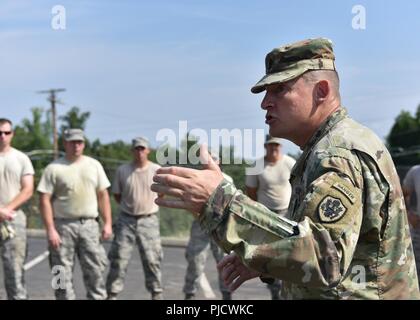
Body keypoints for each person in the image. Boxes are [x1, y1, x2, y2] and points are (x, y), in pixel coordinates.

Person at [151, 38, 420, 299]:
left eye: (279, 89)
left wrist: (221, 203)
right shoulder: (325, 147)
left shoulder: (338, 153)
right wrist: (264, 258)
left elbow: (323, 257)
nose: (265, 102)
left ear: (322, 91)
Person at [37, 128, 112, 300]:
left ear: (84, 144)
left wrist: (107, 223)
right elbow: (44, 200)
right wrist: (50, 229)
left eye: (79, 142)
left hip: (89, 225)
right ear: (65, 144)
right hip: (62, 227)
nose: (76, 146)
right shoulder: (53, 168)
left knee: (95, 270)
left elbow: (103, 196)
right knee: (60, 273)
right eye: (72, 142)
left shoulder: (94, 166)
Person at [106, 137, 163, 300]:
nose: (139, 152)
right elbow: (117, 195)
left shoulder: (156, 170)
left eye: (142, 149)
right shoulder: (123, 170)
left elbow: (162, 193)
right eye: (136, 149)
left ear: (148, 150)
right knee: (119, 258)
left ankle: (156, 293)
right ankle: (112, 294)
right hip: (126, 220)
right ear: (132, 151)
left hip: (149, 220)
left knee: (153, 259)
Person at [245, 135, 295, 299]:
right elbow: (251, 193)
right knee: (268, 255)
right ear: (266, 147)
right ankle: (274, 290)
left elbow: (299, 186)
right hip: (266, 215)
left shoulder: (289, 163)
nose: (274, 149)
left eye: (277, 146)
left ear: (281, 147)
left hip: (287, 214)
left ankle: (285, 289)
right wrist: (257, 215)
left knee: (288, 253)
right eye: (271, 146)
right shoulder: (257, 166)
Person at [183, 153, 233, 300]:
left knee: (224, 261)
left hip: (220, 226)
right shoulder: (195, 178)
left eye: (214, 159)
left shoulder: (227, 180)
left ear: (219, 162)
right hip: (200, 225)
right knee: (195, 260)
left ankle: (227, 295)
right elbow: (187, 201)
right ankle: (190, 293)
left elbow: (232, 205)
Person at [0, 118, 34, 300]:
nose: (2, 136)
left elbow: (28, 189)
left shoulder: (21, 159)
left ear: (12, 134)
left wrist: (7, 209)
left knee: (14, 271)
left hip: (14, 219)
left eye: (6, 132)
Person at [403, 164, 420, 286]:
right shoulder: (415, 171)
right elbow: (402, 194)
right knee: (415, 267)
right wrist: (409, 213)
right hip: (418, 228)